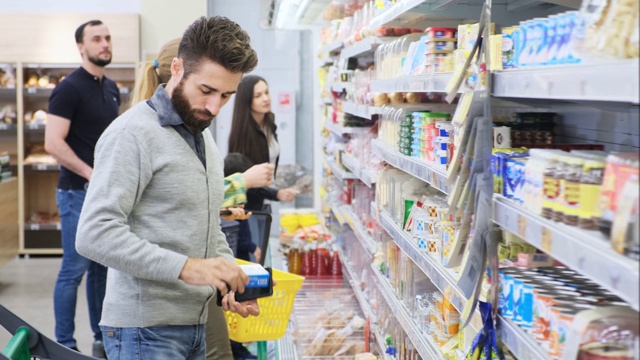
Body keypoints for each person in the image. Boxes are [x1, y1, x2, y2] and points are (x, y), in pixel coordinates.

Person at [76, 16, 261, 360]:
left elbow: (205, 228)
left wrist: (230, 281)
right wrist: (189, 268)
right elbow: (93, 234)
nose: (214, 107)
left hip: (195, 324)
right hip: (145, 331)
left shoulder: (201, 136)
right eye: (206, 91)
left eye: (226, 95)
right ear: (177, 68)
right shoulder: (131, 134)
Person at [44, 19, 118, 358]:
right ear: (81, 47)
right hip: (76, 192)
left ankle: (101, 338)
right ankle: (64, 344)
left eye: (107, 38)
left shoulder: (111, 87)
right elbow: (52, 143)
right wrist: (90, 173)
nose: (104, 44)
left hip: (104, 193)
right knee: (74, 269)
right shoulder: (69, 88)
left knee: (102, 268)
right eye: (96, 39)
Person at [228, 75, 299, 249]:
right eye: (258, 95)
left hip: (265, 202)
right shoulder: (243, 135)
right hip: (251, 209)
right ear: (247, 100)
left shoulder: (268, 125)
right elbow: (248, 181)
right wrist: (276, 193)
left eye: (266, 92)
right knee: (255, 255)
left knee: (265, 250)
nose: (265, 98)